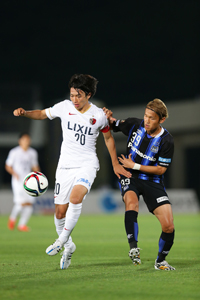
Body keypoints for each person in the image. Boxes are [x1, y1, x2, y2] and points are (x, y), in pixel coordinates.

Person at [13, 74, 131, 269]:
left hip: (87, 164)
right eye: (72, 95)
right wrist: (25, 112)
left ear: (89, 95)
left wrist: (115, 164)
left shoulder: (99, 115)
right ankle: (69, 246)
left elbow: (108, 139)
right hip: (65, 166)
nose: (75, 100)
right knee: (59, 213)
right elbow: (43, 114)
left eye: (79, 95)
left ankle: (60, 241)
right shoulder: (65, 107)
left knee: (75, 199)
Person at [103, 98, 175, 270]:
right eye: (145, 116)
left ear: (161, 120)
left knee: (168, 225)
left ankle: (160, 261)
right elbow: (113, 125)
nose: (147, 121)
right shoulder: (135, 125)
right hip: (130, 176)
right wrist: (107, 118)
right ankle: (133, 247)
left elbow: (160, 170)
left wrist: (134, 165)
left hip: (152, 181)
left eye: (152, 118)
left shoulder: (167, 141)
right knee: (131, 203)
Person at [5, 132, 40, 232]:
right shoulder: (14, 152)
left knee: (29, 203)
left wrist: (39, 176)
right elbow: (8, 166)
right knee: (21, 203)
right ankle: (12, 218)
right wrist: (14, 173)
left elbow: (34, 166)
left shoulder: (32, 153)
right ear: (20, 141)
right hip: (17, 180)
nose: (26, 141)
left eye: (28, 139)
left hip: (29, 181)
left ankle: (22, 225)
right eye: (24, 139)